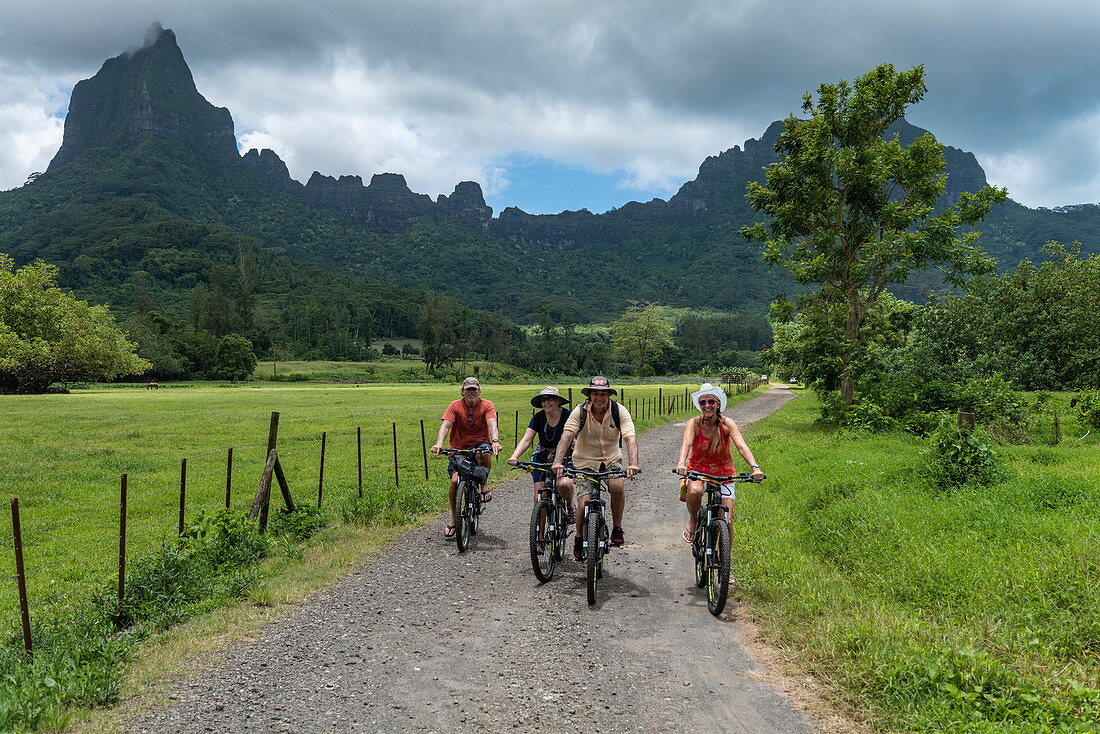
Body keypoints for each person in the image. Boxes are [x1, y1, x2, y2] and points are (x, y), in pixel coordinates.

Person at [552, 376, 639, 560]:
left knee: (617, 486)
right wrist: (558, 461)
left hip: (610, 460)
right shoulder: (580, 411)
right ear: (590, 395)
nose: (599, 397)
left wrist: (633, 463)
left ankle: (617, 527)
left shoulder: (619, 410)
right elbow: (567, 435)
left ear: (609, 395)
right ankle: (578, 537)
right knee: (583, 503)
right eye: (596, 394)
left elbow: (630, 437)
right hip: (585, 461)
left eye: (603, 394)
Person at [674, 382, 764, 545]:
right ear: (699, 405)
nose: (707, 405)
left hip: (725, 473)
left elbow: (741, 446)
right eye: (703, 402)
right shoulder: (693, 423)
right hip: (698, 470)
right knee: (694, 491)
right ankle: (693, 520)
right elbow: (686, 444)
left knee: (728, 521)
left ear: (717, 404)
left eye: (711, 402)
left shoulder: (727, 423)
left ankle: (724, 563)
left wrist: (755, 467)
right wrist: (681, 463)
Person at [430, 377, 502, 539]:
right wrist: (439, 443)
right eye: (468, 390)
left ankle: (483, 485)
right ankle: (454, 519)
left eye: (474, 389)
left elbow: (492, 424)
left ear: (479, 391)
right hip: (458, 448)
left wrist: (495, 441)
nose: (472, 393)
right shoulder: (455, 406)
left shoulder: (487, 405)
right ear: (462, 392)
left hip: (480, 445)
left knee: (484, 452)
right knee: (455, 482)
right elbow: (446, 425)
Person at [507, 386, 576, 521]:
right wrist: (515, 456)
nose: (546, 403)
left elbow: (577, 438)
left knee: (564, 484)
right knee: (540, 495)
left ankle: (570, 505)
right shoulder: (538, 417)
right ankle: (539, 536)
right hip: (543, 454)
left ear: (558, 401)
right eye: (543, 400)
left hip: (565, 455)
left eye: (550, 399)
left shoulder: (568, 416)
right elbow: (527, 439)